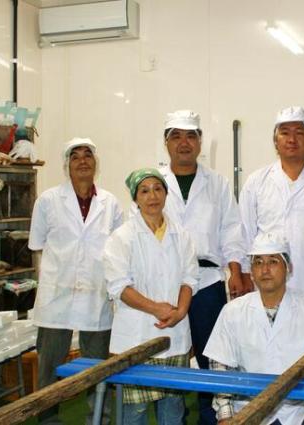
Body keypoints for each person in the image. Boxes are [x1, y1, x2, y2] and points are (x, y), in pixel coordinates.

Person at [158, 110, 247, 424]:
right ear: (166, 142)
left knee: (213, 356)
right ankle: (173, 419)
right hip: (165, 282)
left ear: (199, 142)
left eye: (190, 136)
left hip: (208, 282)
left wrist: (236, 271)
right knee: (170, 356)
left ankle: (211, 417)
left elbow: (232, 229)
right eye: (176, 136)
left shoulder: (217, 183)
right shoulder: (153, 182)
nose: (184, 143)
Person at [28, 137, 124, 423]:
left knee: (98, 368)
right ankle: (48, 421)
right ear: (67, 165)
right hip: (56, 297)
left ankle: (99, 420)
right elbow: (37, 245)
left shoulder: (110, 203)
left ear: (96, 163)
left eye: (87, 155)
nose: (82, 160)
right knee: (49, 369)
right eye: (75, 156)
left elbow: (119, 248)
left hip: (96, 295)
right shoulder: (48, 201)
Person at [204, 233, 304, 425]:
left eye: (273, 261)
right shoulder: (232, 311)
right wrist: (226, 416)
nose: (265, 269)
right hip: (245, 412)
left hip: (299, 413)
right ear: (251, 272)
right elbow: (220, 367)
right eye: (258, 262)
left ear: (289, 268)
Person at [103, 168, 199, 425]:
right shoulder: (121, 237)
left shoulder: (181, 235)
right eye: (144, 191)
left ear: (166, 194)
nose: (152, 196)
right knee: (134, 413)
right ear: (135, 198)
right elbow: (119, 287)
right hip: (136, 337)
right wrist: (156, 309)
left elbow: (190, 278)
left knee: (173, 409)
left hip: (175, 334)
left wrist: (181, 311)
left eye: (157, 189)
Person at [239, 106, 304, 306]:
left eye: (299, 133)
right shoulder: (256, 182)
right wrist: (245, 272)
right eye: (285, 133)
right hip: (266, 288)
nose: (291, 139)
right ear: (275, 141)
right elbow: (245, 232)